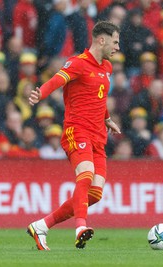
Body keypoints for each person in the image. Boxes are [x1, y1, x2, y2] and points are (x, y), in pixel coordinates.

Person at [27, 21, 121, 250]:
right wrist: (42, 93)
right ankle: (80, 227)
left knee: (96, 193)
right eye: (115, 42)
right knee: (85, 174)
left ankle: (42, 225)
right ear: (101, 39)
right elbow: (57, 80)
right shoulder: (78, 63)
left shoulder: (107, 67)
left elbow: (98, 96)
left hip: (99, 135)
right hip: (77, 130)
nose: (118, 47)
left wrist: (107, 118)